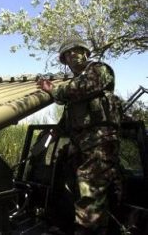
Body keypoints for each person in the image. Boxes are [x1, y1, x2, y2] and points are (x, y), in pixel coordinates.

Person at [38, 38, 122, 235]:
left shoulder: (100, 70)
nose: (72, 55)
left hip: (100, 143)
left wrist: (53, 90)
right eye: (68, 54)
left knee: (90, 191)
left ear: (86, 53)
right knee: (75, 189)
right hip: (81, 144)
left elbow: (81, 88)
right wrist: (58, 129)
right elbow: (73, 113)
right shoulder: (73, 84)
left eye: (77, 51)